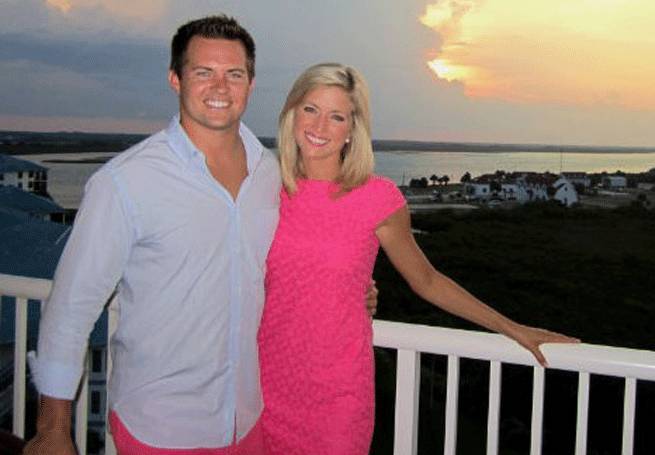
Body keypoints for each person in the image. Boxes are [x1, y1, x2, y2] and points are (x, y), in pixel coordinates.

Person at [23, 16, 377, 455]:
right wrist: (53, 429)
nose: (220, 87)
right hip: (162, 426)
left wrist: (350, 289)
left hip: (251, 421)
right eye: (203, 72)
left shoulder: (271, 174)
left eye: (234, 74)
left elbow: (289, 261)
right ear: (175, 79)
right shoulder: (126, 182)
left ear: (250, 85)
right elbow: (71, 307)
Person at [256, 63, 579, 454]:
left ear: (352, 130)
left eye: (336, 116)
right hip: (263, 387)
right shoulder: (262, 188)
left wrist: (511, 327)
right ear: (291, 113)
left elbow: (426, 280)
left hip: (336, 395)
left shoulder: (377, 198)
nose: (319, 125)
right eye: (310, 109)